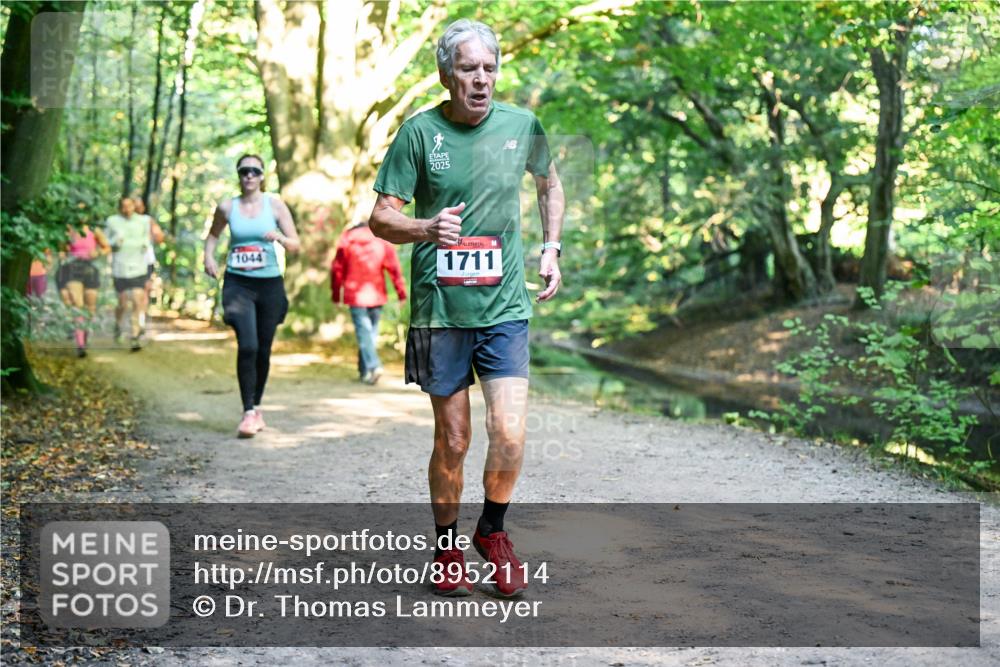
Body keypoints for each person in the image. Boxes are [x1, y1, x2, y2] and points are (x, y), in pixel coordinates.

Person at [370, 19, 564, 598]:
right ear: (445, 74)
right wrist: (426, 228)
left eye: (489, 68)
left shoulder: (522, 125)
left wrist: (551, 248)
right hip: (440, 311)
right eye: (468, 69)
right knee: (453, 440)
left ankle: (492, 532)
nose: (481, 80)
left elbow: (549, 184)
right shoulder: (417, 133)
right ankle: (446, 542)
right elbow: (381, 217)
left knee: (509, 430)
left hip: (505, 306)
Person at [204, 154, 301, 438]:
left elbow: (296, 244)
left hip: (269, 285)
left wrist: (280, 239)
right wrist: (208, 257)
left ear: (261, 176)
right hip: (238, 284)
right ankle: (248, 411)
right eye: (244, 171)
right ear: (239, 175)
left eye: (254, 171)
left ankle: (256, 407)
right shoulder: (227, 207)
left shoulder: (275, 205)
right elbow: (212, 235)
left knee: (263, 349)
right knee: (247, 345)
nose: (249, 175)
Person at [330, 211, 407, 385]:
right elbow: (393, 267)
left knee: (365, 334)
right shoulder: (381, 239)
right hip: (376, 294)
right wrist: (401, 292)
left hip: (355, 294)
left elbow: (337, 269)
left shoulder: (348, 238)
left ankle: (372, 366)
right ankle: (366, 370)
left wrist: (336, 295)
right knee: (369, 334)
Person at [105, 197, 156, 351]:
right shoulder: (112, 221)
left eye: (129, 206)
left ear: (134, 206)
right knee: (122, 302)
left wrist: (146, 244)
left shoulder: (144, 221)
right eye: (124, 206)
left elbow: (149, 238)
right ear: (120, 208)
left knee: (137, 300)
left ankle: (135, 336)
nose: (127, 209)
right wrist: (115, 242)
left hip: (139, 268)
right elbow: (106, 242)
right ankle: (118, 325)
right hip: (120, 268)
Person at [56, 225, 110, 357]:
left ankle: (84, 333)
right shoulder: (68, 230)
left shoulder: (94, 230)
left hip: (90, 269)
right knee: (78, 305)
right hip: (72, 269)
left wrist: (97, 253)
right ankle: (80, 344)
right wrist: (64, 254)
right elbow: (61, 250)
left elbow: (107, 247)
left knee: (90, 307)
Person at [133, 197, 165, 333]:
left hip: (146, 261)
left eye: (139, 206)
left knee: (144, 292)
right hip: (129, 262)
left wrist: (150, 234)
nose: (137, 208)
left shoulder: (148, 220)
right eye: (135, 206)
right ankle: (132, 320)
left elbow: (160, 237)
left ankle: (140, 322)